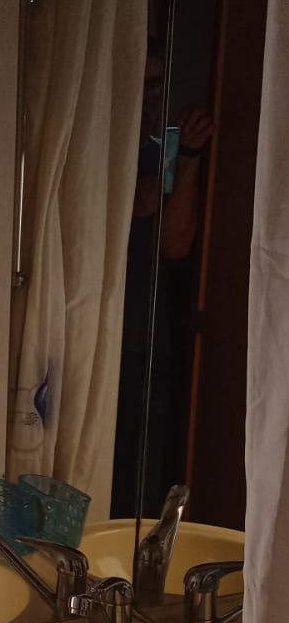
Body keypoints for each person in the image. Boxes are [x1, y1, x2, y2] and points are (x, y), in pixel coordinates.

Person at [110, 43, 213, 517]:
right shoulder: (88, 152)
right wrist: (123, 204)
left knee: (141, 465)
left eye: (156, 85)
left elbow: (175, 245)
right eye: (141, 82)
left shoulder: (163, 155)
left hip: (145, 336)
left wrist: (190, 156)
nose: (150, 96)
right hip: (92, 332)